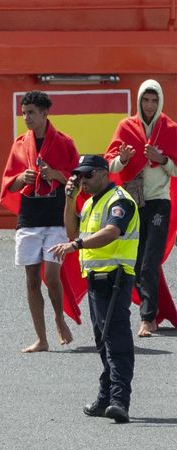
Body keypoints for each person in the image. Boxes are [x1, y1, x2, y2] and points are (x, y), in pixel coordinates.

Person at [49, 155, 139, 424]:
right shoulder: (89, 203)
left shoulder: (119, 200)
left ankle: (119, 400)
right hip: (96, 280)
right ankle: (105, 398)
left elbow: (112, 232)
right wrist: (68, 199)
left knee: (116, 341)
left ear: (103, 173)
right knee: (103, 341)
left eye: (87, 175)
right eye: (79, 176)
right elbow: (71, 231)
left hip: (115, 278)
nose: (82, 181)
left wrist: (77, 246)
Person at [0, 90, 80, 353]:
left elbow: (78, 178)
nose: (26, 118)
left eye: (31, 112)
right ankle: (41, 339)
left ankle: (59, 319)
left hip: (56, 219)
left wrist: (56, 174)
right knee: (31, 278)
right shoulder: (20, 144)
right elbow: (8, 182)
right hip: (29, 219)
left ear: (45, 113)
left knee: (52, 275)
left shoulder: (65, 142)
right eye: (24, 113)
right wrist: (23, 179)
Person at [105, 79, 177, 337]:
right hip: (132, 202)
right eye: (145, 100)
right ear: (139, 101)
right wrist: (122, 159)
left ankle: (147, 318)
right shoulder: (126, 127)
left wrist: (163, 160)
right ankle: (152, 311)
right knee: (135, 263)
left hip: (159, 201)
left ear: (160, 102)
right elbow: (109, 165)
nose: (149, 105)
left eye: (154, 100)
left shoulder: (170, 128)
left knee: (150, 261)